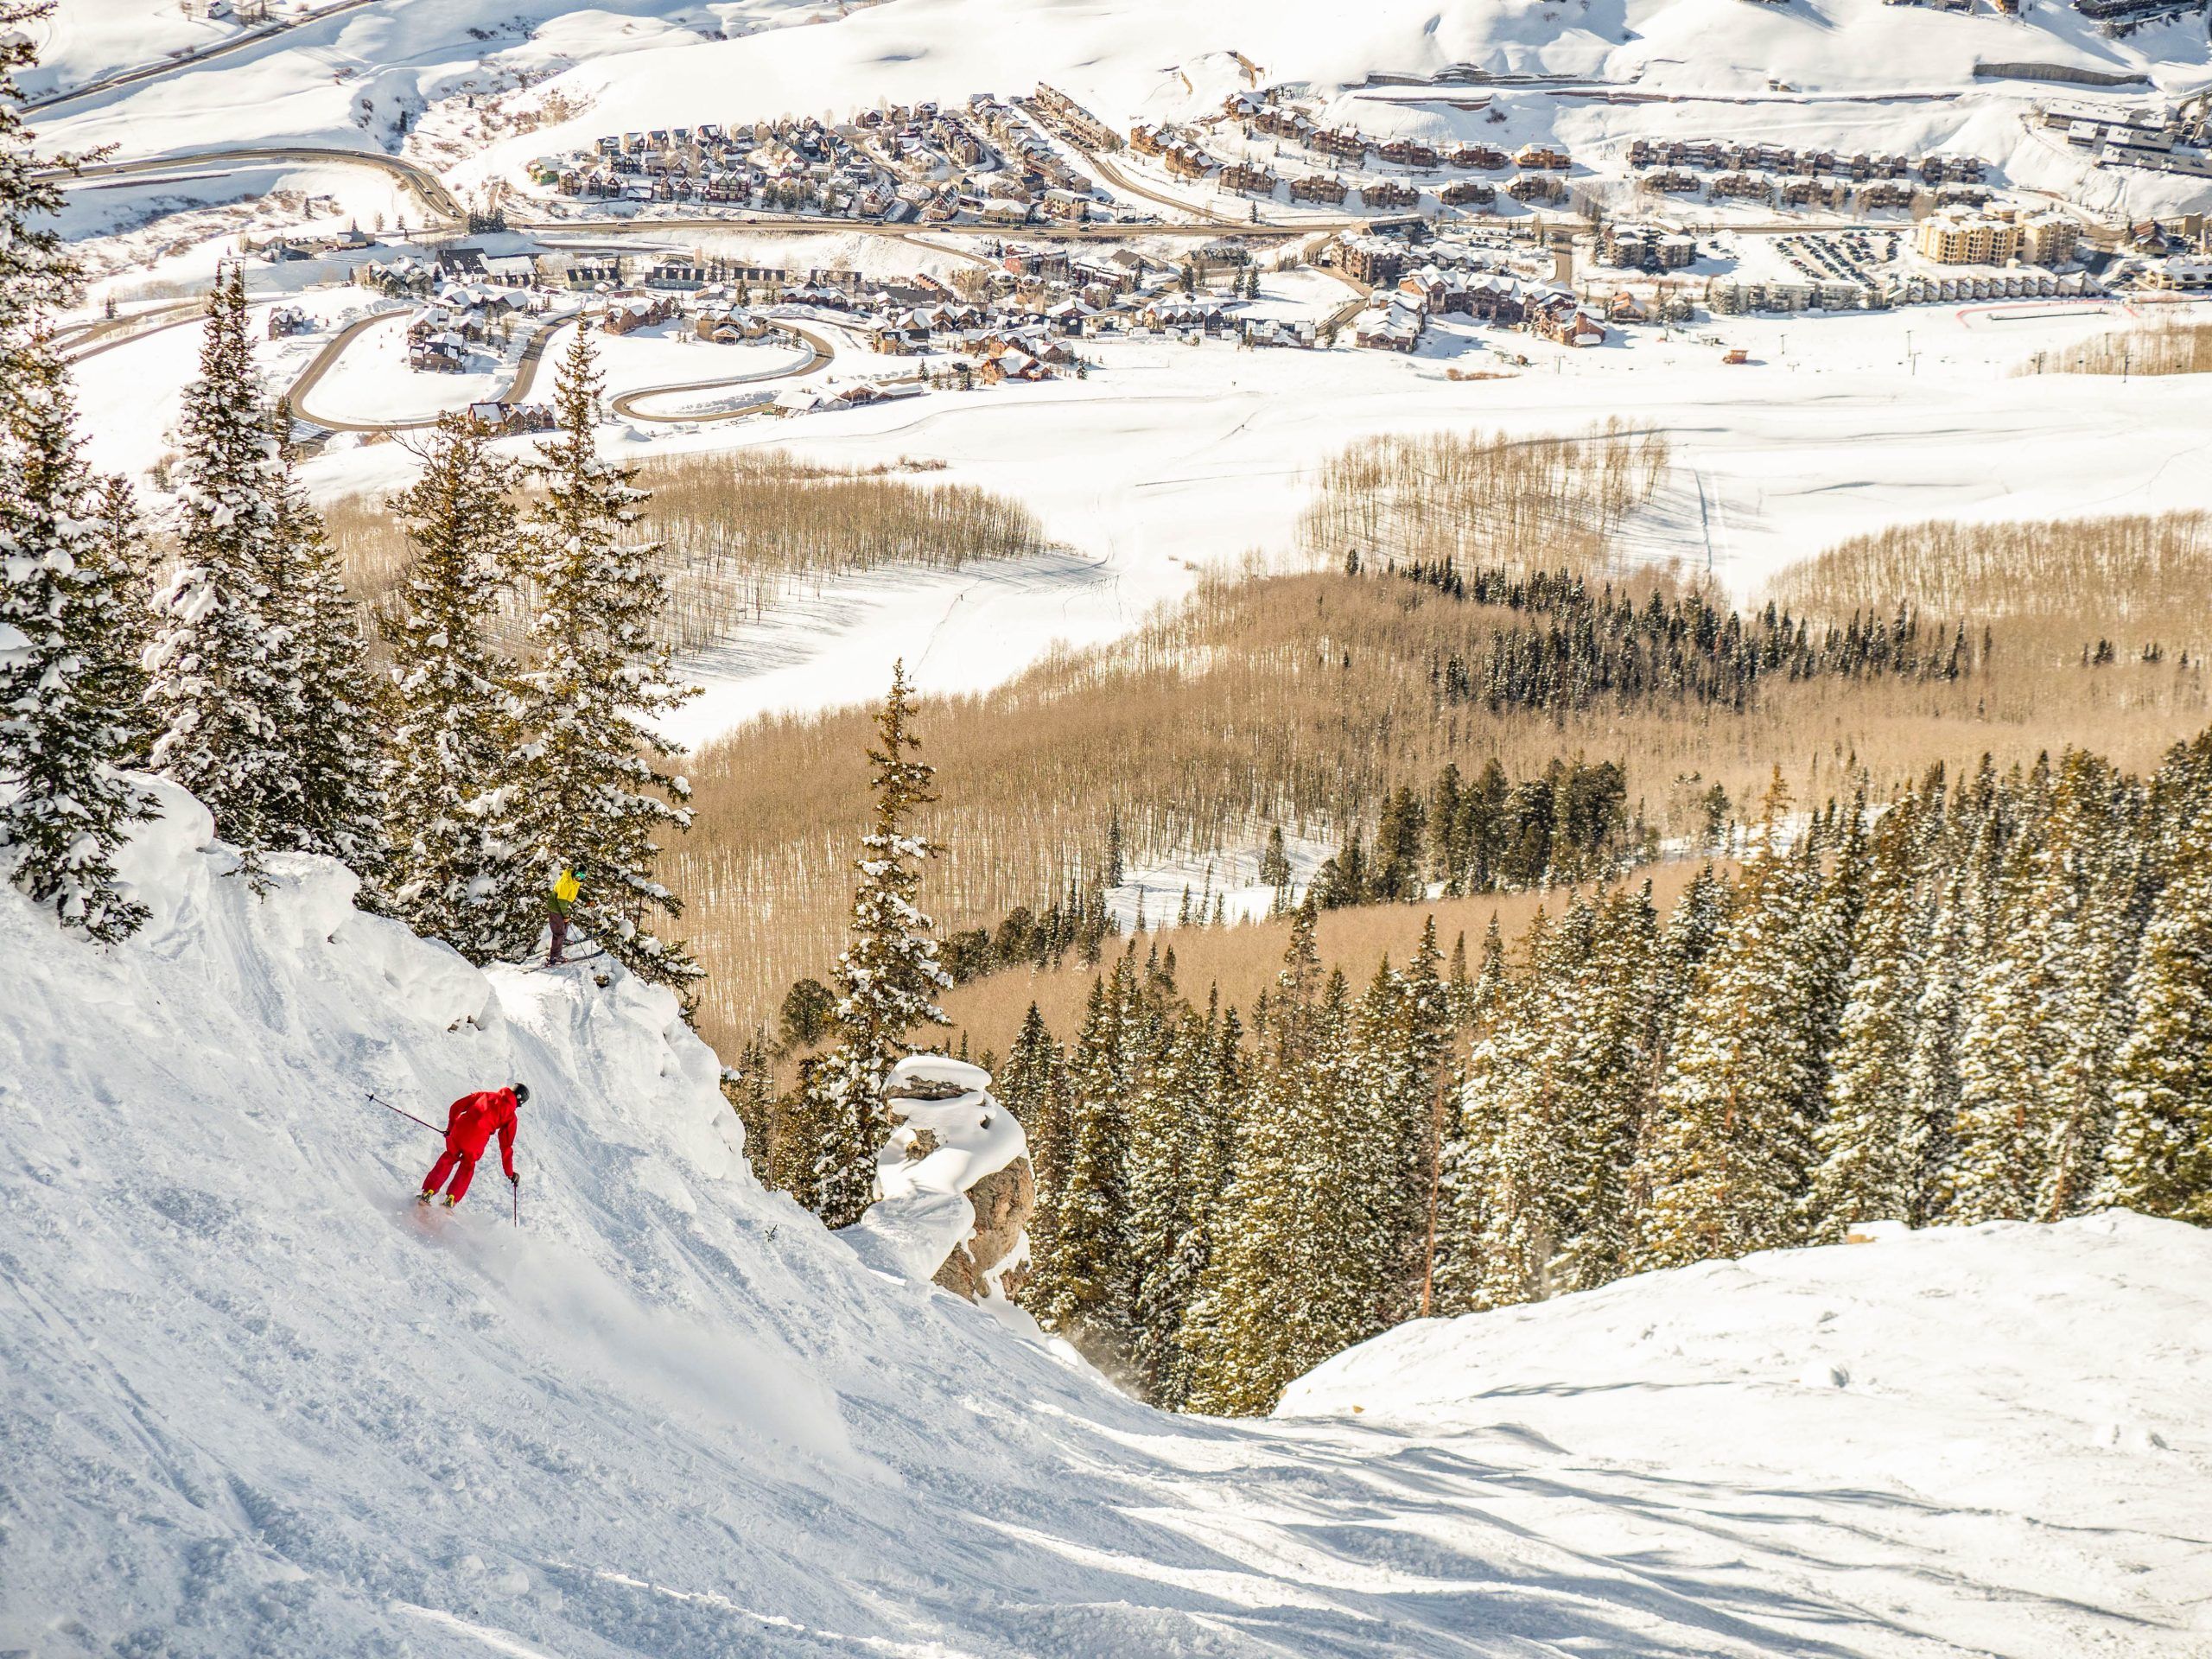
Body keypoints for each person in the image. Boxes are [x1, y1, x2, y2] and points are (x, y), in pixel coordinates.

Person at [418, 1083, 527, 1208]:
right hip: (477, 1140)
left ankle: (428, 1191)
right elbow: (506, 1146)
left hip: (459, 1130)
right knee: (468, 1165)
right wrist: (509, 1172)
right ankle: (451, 1198)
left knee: (449, 1157)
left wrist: (451, 1128)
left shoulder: (485, 1095)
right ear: (519, 1101)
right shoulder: (511, 1117)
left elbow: (456, 1107)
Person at [547, 864, 583, 965]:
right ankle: (555, 956)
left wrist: (587, 899)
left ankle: (563, 940)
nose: (580, 878)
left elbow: (576, 891)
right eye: (579, 874)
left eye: (583, 876)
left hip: (561, 906)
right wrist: (566, 915)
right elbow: (562, 902)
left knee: (565, 923)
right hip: (555, 907)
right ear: (576, 872)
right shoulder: (566, 882)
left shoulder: (574, 880)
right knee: (559, 932)